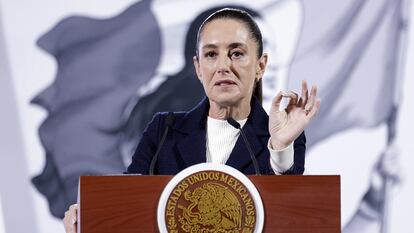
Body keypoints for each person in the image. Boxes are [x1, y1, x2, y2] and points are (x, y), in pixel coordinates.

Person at [63, 8, 320, 232]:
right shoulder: (164, 130)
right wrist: (90, 218)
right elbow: (131, 203)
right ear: (198, 68)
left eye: (237, 53)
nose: (223, 66)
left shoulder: (283, 136)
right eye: (211, 55)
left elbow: (288, 215)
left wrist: (279, 147)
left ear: (261, 66)